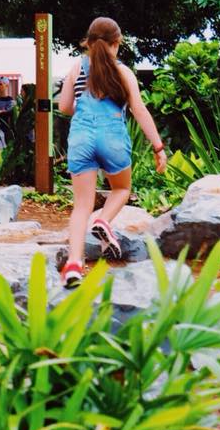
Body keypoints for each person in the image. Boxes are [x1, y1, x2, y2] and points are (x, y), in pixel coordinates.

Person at [57, 17, 166, 288]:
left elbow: (64, 107)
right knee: (121, 189)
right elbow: (139, 110)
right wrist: (158, 147)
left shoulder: (77, 67)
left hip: (81, 138)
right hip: (113, 139)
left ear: (89, 42)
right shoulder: (123, 72)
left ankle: (73, 264)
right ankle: (104, 221)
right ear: (117, 43)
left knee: (82, 205)